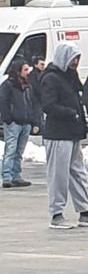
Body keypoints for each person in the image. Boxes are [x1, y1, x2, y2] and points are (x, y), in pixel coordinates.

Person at [40, 42, 88, 229]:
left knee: (78, 173)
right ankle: (56, 213)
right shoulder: (51, 78)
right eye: (74, 58)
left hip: (73, 132)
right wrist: (70, 113)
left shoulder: (70, 77)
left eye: (78, 58)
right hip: (58, 133)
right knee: (59, 175)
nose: (76, 62)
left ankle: (84, 211)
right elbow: (48, 105)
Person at [0, 58, 39, 188]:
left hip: (25, 122)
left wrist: (33, 121)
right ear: (18, 71)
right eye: (25, 69)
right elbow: (3, 103)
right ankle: (7, 176)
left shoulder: (27, 86)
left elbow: (32, 103)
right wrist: (8, 119)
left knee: (19, 151)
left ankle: (16, 176)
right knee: (10, 150)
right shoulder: (8, 85)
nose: (28, 72)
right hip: (14, 123)